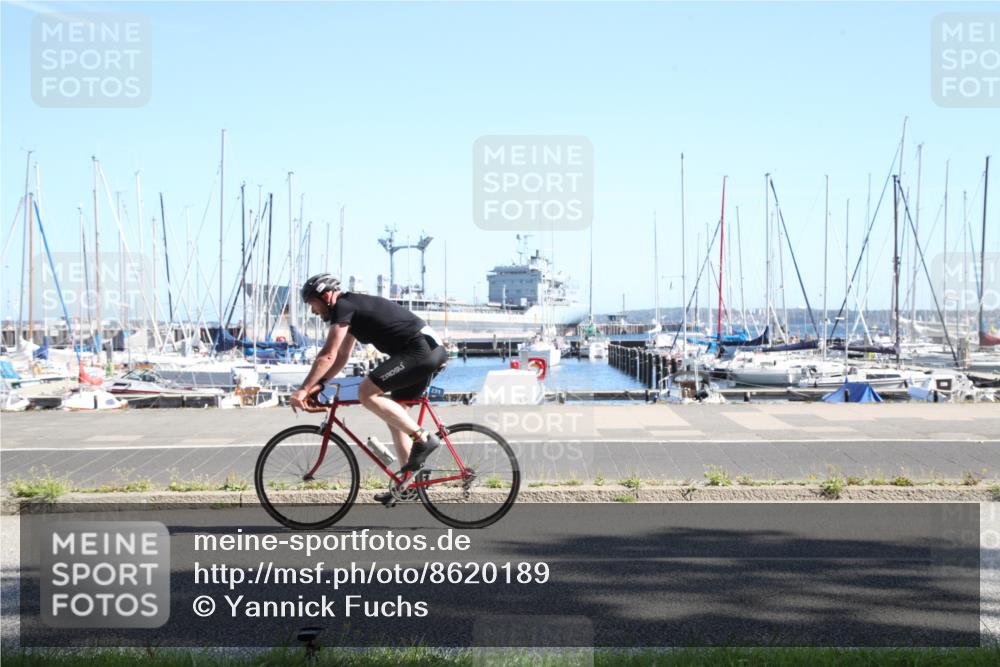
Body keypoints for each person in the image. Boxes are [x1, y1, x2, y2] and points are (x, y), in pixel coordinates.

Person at [288, 274, 448, 504]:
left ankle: (422, 438)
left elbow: (327, 354)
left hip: (420, 351)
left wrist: (303, 389)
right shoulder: (352, 310)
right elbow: (341, 357)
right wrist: (320, 384)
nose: (313, 311)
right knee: (395, 417)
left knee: (366, 392)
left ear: (326, 296)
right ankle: (408, 484)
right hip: (426, 351)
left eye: (312, 303)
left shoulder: (344, 306)